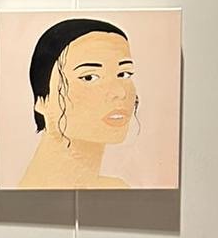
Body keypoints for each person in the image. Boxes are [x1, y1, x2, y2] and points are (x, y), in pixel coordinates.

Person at [18, 18, 138, 190]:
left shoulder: (116, 189)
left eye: (124, 74)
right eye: (89, 77)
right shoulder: (32, 192)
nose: (119, 92)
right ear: (42, 100)